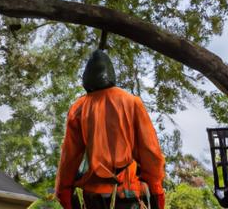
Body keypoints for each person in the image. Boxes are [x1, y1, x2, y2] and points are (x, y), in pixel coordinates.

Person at [55, 50, 166, 209]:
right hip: (126, 192)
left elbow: (69, 158)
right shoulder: (132, 102)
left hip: (93, 197)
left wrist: (63, 191)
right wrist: (156, 190)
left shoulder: (78, 108)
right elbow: (150, 151)